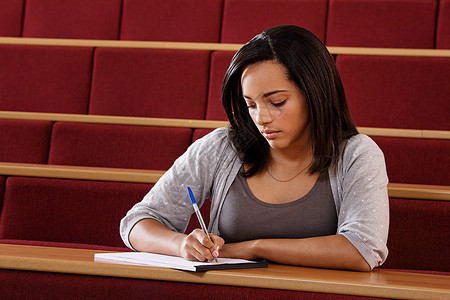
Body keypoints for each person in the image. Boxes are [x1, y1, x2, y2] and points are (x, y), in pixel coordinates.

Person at [120, 25, 389, 271]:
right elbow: (137, 223)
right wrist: (180, 245)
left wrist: (254, 247)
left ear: (315, 94)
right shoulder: (221, 148)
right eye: (251, 105)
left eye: (277, 102)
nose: (261, 118)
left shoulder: (357, 155)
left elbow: (362, 250)